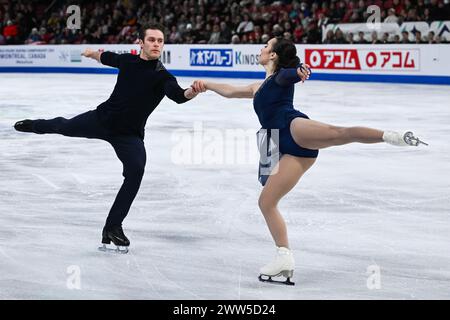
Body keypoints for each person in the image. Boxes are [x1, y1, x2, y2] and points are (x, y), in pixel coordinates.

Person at [191, 37, 427, 285]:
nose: (261, 49)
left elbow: (290, 75)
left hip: (293, 128)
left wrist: (299, 71)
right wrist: (206, 84)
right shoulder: (258, 86)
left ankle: (393, 136)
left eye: (266, 46)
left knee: (338, 133)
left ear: (273, 56)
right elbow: (229, 91)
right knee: (266, 202)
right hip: (278, 144)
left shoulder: (282, 76)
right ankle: (284, 257)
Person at [14, 23, 199, 253]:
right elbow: (107, 57)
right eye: (151, 40)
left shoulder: (162, 77)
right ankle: (34, 125)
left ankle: (112, 228)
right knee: (65, 126)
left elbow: (179, 96)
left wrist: (192, 91)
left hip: (128, 135)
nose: (156, 44)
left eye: (160, 41)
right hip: (101, 120)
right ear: (140, 42)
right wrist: (92, 53)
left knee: (136, 171)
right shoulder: (128, 61)